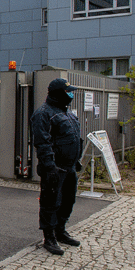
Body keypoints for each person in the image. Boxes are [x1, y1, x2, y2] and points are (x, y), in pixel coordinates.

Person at [31, 78, 84, 255]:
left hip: (69, 166)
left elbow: (75, 137)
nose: (71, 95)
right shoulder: (43, 114)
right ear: (58, 94)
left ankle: (60, 230)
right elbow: (43, 143)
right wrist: (49, 166)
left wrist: (76, 159)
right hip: (55, 168)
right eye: (68, 92)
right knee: (51, 202)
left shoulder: (67, 113)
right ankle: (49, 236)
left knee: (68, 200)